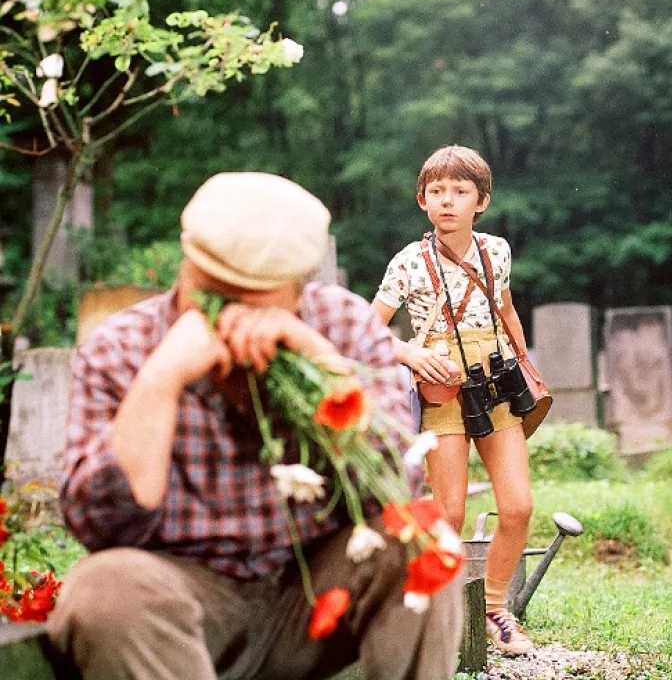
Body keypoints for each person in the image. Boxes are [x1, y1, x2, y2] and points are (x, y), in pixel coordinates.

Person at [48, 172, 463, 680]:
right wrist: (161, 379)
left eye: (254, 298)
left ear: (298, 290)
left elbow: (397, 489)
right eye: (212, 292)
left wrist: (318, 361)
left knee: (422, 541)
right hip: (182, 600)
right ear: (187, 261)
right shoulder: (120, 347)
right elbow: (100, 528)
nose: (230, 316)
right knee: (102, 590)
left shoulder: (343, 325)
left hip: (314, 590)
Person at [372, 145, 536, 656]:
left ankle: (495, 609)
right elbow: (366, 330)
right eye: (437, 191)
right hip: (441, 388)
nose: (448, 201)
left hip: (497, 382)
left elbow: (507, 309)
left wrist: (527, 369)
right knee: (449, 511)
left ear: (481, 201)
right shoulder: (408, 262)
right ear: (422, 200)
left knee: (518, 506)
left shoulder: (497, 251)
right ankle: (440, 618)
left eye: (460, 191)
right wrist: (409, 353)